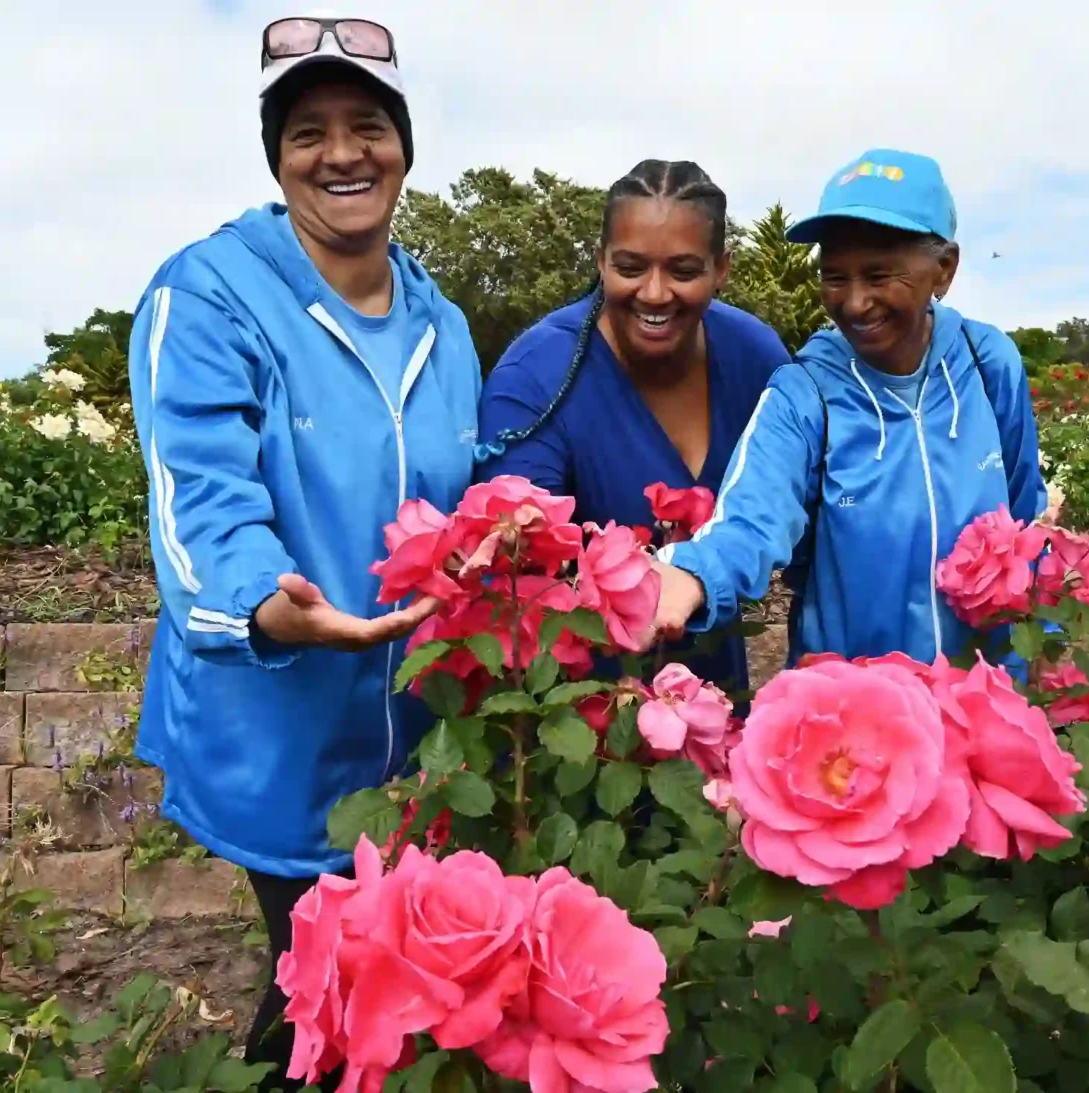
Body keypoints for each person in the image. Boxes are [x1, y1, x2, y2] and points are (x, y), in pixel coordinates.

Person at [125, 15, 480, 1087]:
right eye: (307, 131)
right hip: (273, 722)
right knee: (318, 983)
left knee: (379, 972)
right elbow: (199, 495)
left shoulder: (442, 321)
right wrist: (264, 604)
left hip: (412, 728)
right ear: (276, 157)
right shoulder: (209, 292)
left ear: (404, 148)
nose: (341, 153)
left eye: (367, 125)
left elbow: (464, 493)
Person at [652, 149, 1046, 667]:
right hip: (854, 704)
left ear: (943, 269)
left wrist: (1041, 647)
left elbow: (1024, 518)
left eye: (879, 276)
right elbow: (752, 515)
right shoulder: (805, 393)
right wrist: (693, 573)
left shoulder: (986, 363)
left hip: (983, 694)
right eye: (835, 277)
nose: (855, 303)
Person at [476, 160, 791, 692]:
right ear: (601, 261)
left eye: (684, 271)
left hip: (716, 702)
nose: (655, 293)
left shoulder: (755, 357)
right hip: (574, 711)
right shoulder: (535, 379)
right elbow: (517, 575)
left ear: (722, 269)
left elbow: (790, 503)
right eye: (630, 267)